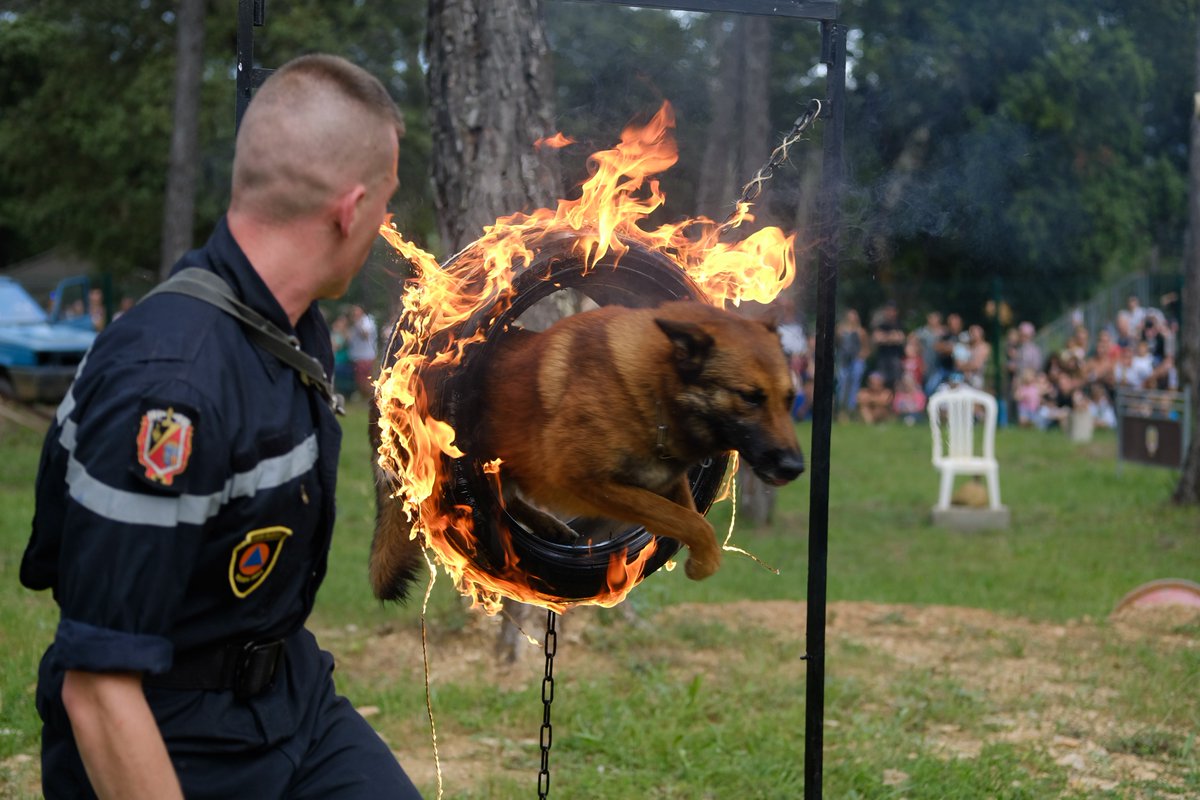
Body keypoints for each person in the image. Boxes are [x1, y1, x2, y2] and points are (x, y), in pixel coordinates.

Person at [20, 55, 421, 799]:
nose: (387, 227)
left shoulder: (293, 327)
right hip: (170, 730)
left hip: (289, 699)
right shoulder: (170, 391)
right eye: (386, 204)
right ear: (351, 208)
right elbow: (98, 688)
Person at [834, 308, 867, 415]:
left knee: (854, 384)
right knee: (841, 383)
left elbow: (866, 347)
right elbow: (836, 344)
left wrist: (862, 356)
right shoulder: (840, 330)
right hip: (843, 359)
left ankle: (850, 408)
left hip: (856, 360)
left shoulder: (861, 331)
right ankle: (840, 408)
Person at [347, 303, 379, 399]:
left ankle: (371, 396)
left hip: (366, 355)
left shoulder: (366, 321)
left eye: (356, 310)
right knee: (360, 378)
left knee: (366, 378)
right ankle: (366, 396)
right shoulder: (356, 322)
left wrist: (358, 324)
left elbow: (365, 335)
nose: (354, 312)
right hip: (358, 355)